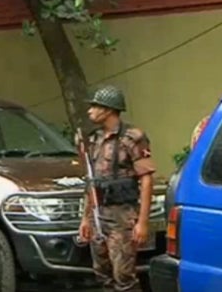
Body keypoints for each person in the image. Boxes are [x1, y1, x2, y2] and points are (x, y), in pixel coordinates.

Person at [78, 85, 156, 292]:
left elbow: (147, 179)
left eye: (95, 106)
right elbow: (91, 182)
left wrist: (142, 222)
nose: (90, 111)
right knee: (102, 271)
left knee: (123, 275)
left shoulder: (132, 138)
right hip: (99, 214)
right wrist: (86, 218)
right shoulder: (94, 139)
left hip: (122, 214)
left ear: (109, 109)